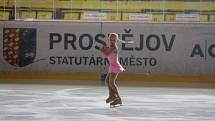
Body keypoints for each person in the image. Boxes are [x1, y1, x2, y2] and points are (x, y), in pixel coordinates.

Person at [100, 33, 125, 107]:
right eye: (111, 39)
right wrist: (104, 50)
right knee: (107, 81)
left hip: (115, 66)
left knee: (111, 82)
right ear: (109, 39)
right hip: (112, 66)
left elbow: (106, 55)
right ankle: (112, 96)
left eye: (114, 39)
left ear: (116, 41)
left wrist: (102, 50)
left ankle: (118, 98)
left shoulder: (113, 47)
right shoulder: (110, 46)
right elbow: (104, 55)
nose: (112, 41)